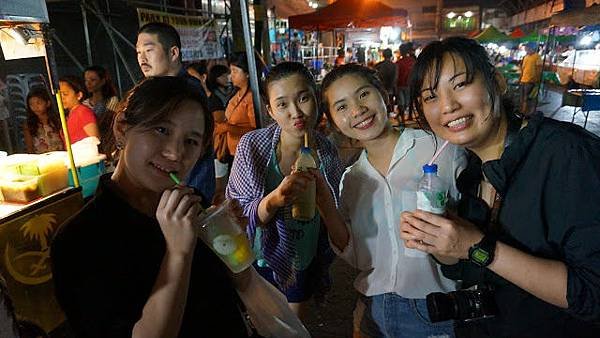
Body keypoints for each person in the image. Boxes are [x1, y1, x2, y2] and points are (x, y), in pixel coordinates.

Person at [401, 37, 600, 338]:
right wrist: (441, 241)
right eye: (430, 97)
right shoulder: (471, 170)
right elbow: (466, 267)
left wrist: (478, 247)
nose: (448, 106)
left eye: (461, 84)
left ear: (497, 82)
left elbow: (592, 294)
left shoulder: (566, 155)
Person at [51, 77, 250, 338]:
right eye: (161, 130)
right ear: (122, 128)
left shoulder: (193, 204)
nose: (175, 153)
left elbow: (228, 296)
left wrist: (231, 243)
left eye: (191, 141)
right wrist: (178, 253)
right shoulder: (78, 241)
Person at [320, 64, 465, 338]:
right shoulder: (351, 179)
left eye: (363, 94)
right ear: (333, 121)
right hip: (372, 309)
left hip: (434, 311)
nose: (357, 110)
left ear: (384, 94)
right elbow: (354, 254)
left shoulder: (439, 149)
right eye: (341, 107)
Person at [226, 62, 343, 320]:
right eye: (282, 104)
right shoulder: (252, 147)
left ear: (316, 97)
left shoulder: (328, 153)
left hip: (304, 256)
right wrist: (276, 198)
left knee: (293, 328)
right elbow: (239, 212)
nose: (296, 112)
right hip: (260, 258)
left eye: (303, 98)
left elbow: (336, 215)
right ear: (270, 110)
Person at [136, 22, 215, 202]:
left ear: (173, 53)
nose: (142, 59)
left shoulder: (188, 92)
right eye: (138, 52)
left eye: (148, 50)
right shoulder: (158, 89)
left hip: (188, 188)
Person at [219, 52, 261, 163]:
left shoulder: (252, 98)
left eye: (235, 71)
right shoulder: (236, 94)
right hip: (233, 152)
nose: (231, 75)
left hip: (246, 154)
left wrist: (228, 128)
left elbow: (256, 130)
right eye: (231, 71)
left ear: (248, 73)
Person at [206, 64, 232, 204]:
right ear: (215, 79)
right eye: (223, 75)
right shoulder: (215, 100)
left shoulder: (229, 93)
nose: (228, 77)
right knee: (220, 187)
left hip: (229, 146)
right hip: (220, 148)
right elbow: (218, 127)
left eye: (228, 73)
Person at [82, 65, 120, 158]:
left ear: (102, 81)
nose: (88, 83)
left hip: (108, 145)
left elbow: (107, 123)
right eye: (86, 80)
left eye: (93, 80)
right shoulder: (84, 104)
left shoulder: (112, 101)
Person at [58, 76, 99, 144]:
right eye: (59, 94)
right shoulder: (70, 114)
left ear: (79, 95)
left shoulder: (82, 112)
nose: (62, 98)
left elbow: (95, 139)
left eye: (65, 94)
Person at [22, 87, 64, 154]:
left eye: (38, 103)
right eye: (31, 104)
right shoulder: (29, 124)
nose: (35, 107)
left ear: (48, 103)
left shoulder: (57, 120)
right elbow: (30, 148)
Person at [518, 42, 542, 116]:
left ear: (532, 48)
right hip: (523, 80)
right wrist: (520, 78)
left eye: (527, 47)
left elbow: (539, 69)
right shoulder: (525, 57)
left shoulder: (537, 56)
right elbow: (523, 69)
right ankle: (522, 111)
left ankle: (525, 113)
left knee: (527, 98)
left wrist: (537, 80)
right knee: (522, 97)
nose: (525, 49)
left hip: (531, 81)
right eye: (525, 47)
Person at [396, 43, 416, 120]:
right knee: (409, 101)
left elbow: (396, 76)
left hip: (400, 85)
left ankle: (403, 118)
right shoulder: (412, 61)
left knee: (401, 102)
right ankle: (410, 116)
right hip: (409, 85)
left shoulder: (398, 63)